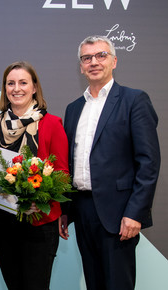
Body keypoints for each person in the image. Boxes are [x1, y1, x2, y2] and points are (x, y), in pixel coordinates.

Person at [63, 35, 161, 290]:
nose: (93, 62)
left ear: (114, 61)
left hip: (119, 214)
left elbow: (148, 162)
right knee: (93, 283)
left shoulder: (134, 100)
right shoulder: (74, 109)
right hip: (83, 210)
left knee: (118, 284)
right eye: (87, 58)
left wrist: (134, 213)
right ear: (81, 66)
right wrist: (66, 210)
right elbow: (70, 163)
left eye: (100, 55)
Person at [0, 61, 69, 290]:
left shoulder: (52, 124)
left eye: (23, 82)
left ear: (34, 87)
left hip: (38, 221)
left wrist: (39, 199)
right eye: (10, 83)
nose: (16, 88)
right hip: (3, 221)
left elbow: (62, 174)